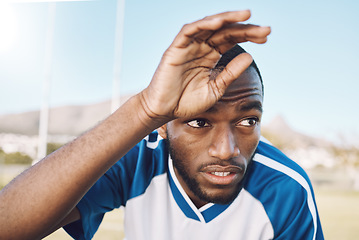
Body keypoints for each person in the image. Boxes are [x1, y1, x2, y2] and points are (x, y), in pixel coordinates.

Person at [0, 10, 324, 240]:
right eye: (199, 121)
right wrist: (144, 111)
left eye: (248, 120)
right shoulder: (138, 160)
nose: (227, 150)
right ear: (163, 126)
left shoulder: (286, 188)